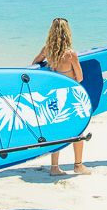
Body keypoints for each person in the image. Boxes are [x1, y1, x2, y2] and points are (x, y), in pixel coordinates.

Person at [32, 17, 91, 176]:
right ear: (67, 33)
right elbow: (80, 77)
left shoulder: (47, 51)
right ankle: (78, 165)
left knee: (56, 130)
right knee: (79, 129)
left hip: (54, 96)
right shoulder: (70, 54)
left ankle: (54, 168)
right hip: (70, 97)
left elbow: (33, 64)